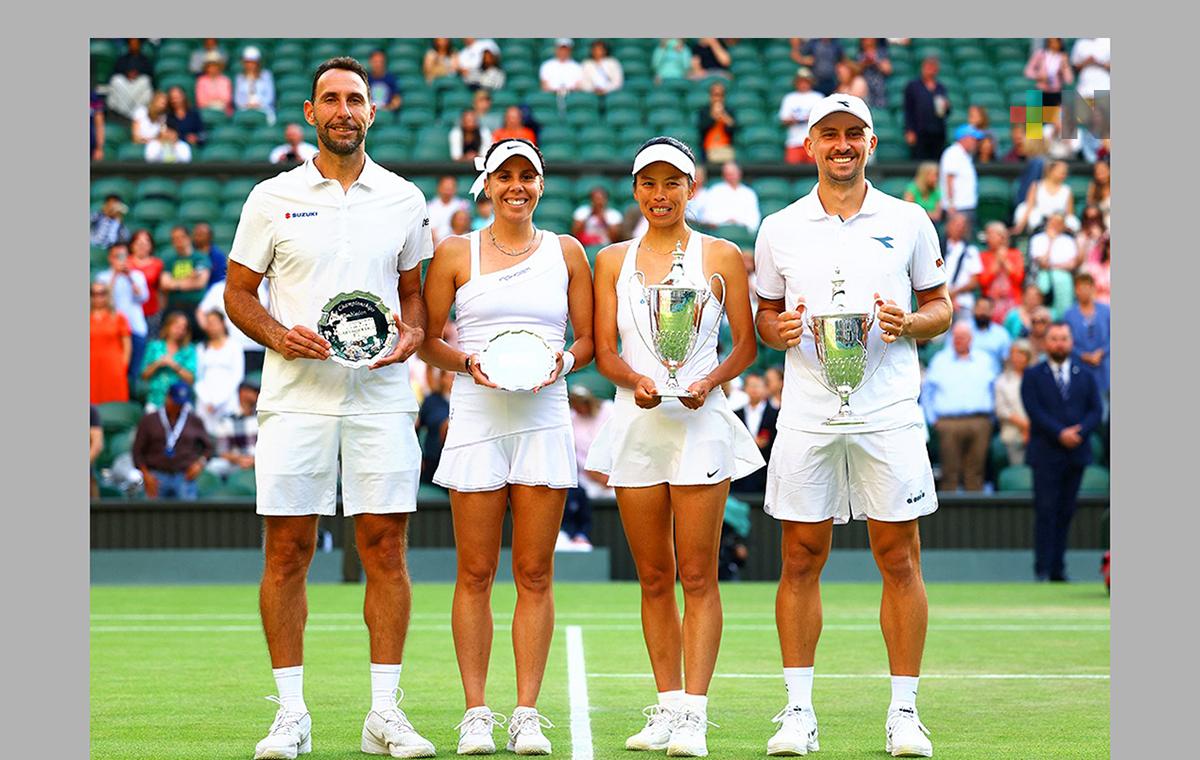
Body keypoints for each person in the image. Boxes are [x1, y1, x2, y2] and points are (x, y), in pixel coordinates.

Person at [224, 57, 436, 760]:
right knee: (288, 551)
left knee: (386, 548)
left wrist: (411, 334)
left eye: (356, 99)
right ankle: (290, 715)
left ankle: (384, 715)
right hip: (294, 399)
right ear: (311, 114)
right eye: (331, 100)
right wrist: (279, 334)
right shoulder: (270, 197)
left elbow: (413, 298)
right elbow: (238, 294)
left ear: (372, 112)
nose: (344, 110)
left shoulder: (405, 199)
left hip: (378, 397)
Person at [753, 94, 951, 758]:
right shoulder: (779, 226)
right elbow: (766, 316)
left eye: (853, 134)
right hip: (809, 411)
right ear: (808, 145)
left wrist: (910, 324)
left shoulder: (910, 218)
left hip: (889, 412)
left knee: (899, 558)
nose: (841, 144)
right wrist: (773, 330)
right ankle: (798, 712)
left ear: (870, 144)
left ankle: (904, 714)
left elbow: (940, 307)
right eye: (828, 134)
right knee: (800, 558)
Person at [588, 136, 763, 757]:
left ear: (691, 188)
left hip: (702, 423)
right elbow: (605, 351)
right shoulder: (609, 259)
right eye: (649, 184)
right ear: (636, 190)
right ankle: (665, 706)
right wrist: (632, 379)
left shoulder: (723, 255)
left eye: (673, 183)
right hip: (637, 426)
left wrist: (709, 381)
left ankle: (694, 713)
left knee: (698, 573)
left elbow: (746, 345)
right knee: (654, 576)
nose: (660, 195)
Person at [418, 137, 595, 756]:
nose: (516, 186)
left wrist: (563, 360)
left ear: (539, 185)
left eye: (528, 176)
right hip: (475, 417)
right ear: (485, 185)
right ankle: (476, 713)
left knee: (535, 571)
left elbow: (591, 341)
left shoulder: (568, 252)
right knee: (474, 571)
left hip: (544, 415)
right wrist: (469, 362)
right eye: (505, 176)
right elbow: (427, 339)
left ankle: (525, 712)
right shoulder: (452, 253)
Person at [1022, 322, 1104, 581]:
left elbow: (1096, 411)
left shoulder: (1086, 374)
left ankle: (1059, 569)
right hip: (1046, 452)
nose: (1059, 343)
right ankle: (1042, 568)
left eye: (1064, 338)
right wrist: (1060, 432)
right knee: (1045, 510)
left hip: (1076, 453)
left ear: (1071, 342)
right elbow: (1034, 410)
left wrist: (1079, 431)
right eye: (1055, 338)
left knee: (1067, 511)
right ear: (1046, 343)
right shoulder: (1033, 375)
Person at [921, 321, 999, 492]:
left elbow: (995, 389)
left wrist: (991, 419)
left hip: (980, 421)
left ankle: (976, 514)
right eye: (956, 337)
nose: (959, 341)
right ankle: (949, 517)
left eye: (963, 337)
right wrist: (933, 419)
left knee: (976, 472)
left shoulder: (985, 360)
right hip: (948, 423)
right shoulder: (940, 361)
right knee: (949, 472)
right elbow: (927, 392)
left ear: (971, 339)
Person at [132, 382, 214, 500]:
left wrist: (199, 464)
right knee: (151, 516)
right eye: (175, 402)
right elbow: (137, 452)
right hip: (156, 476)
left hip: (184, 475)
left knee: (188, 516)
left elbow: (209, 448)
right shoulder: (149, 420)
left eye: (181, 404)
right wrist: (146, 475)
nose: (178, 406)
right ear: (167, 398)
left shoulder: (194, 420)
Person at [95, 242, 150, 393]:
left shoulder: (137, 275)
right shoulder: (103, 277)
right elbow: (103, 300)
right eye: (117, 256)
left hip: (135, 329)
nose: (121, 260)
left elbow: (143, 297)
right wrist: (115, 276)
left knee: (134, 373)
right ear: (110, 258)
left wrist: (129, 277)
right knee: (114, 372)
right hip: (112, 332)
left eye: (123, 256)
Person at [563, 385, 612, 550]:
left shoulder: (609, 410)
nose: (580, 408)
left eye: (582, 403)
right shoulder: (570, 419)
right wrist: (597, 476)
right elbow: (577, 456)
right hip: (587, 477)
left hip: (615, 474)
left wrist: (611, 476)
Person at [194, 309, 245, 433]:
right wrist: (207, 399)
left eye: (214, 322)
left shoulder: (235, 346)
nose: (211, 326)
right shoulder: (201, 348)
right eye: (208, 323)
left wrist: (219, 400)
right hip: (205, 401)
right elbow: (197, 377)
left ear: (223, 323)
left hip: (227, 399)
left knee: (226, 435)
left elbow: (238, 375)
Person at [1063, 271, 1111, 403]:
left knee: (1104, 406)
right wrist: (1082, 355)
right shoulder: (1069, 314)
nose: (1083, 291)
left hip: (1103, 366)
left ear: (1093, 288)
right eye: (1079, 288)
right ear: (1075, 290)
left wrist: (1101, 352)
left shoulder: (1106, 311)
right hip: (1079, 365)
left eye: (1087, 287)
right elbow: (1066, 339)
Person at [1030, 213, 1082, 319]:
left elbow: (1072, 264)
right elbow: (1043, 263)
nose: (1055, 225)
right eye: (1053, 221)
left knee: (1064, 312)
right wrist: (1051, 241)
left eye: (1059, 223)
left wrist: (1052, 266)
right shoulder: (1038, 238)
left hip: (1064, 279)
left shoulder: (1068, 240)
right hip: (1043, 278)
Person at [140, 311, 197, 409]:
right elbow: (144, 375)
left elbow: (191, 379)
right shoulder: (154, 346)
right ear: (168, 326)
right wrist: (158, 363)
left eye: (183, 328)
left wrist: (174, 365)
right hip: (155, 399)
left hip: (180, 400)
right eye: (177, 326)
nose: (180, 331)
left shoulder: (189, 350)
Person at [732, 372, 777, 494]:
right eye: (751, 386)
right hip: (742, 475)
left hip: (767, 472)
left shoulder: (775, 414)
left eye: (757, 386)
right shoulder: (736, 415)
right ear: (745, 389)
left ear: (765, 388)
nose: (754, 390)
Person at [160, 225, 211, 328]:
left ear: (189, 238)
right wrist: (190, 278)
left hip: (196, 306)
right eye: (174, 239)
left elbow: (200, 283)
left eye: (181, 237)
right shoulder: (169, 259)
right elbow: (165, 284)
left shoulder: (200, 258)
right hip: (174, 306)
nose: (178, 241)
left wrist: (174, 283)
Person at [90, 280, 132, 405]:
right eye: (93, 293)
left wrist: (122, 366)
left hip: (113, 368)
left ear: (108, 295)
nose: (98, 297)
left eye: (102, 293)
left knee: (114, 402)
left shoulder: (119, 317)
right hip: (91, 367)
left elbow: (127, 345)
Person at [207, 382, 260, 480]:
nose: (258, 394)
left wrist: (254, 460)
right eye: (254, 391)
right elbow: (222, 451)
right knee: (212, 467)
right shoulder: (226, 420)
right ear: (242, 392)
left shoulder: (262, 418)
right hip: (235, 464)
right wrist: (240, 459)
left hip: (260, 463)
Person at [903, 56, 950, 161]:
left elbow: (946, 112)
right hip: (919, 131)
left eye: (933, 67)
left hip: (938, 131)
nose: (930, 69)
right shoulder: (913, 86)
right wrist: (909, 130)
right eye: (927, 66)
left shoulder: (940, 87)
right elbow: (908, 109)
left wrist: (947, 107)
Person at [1013, 159, 1077, 235]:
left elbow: (1069, 214)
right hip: (1039, 223)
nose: (1063, 175)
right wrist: (1020, 226)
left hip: (1059, 221)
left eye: (1065, 173)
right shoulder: (1036, 186)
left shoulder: (1067, 190)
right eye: (1061, 172)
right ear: (1051, 171)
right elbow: (1029, 207)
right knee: (1033, 216)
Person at [995, 340, 1033, 466]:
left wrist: (1030, 427)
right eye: (1014, 354)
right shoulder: (1002, 380)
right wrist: (1024, 426)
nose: (1017, 358)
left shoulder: (1037, 377)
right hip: (1013, 434)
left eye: (1021, 354)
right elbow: (1002, 410)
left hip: (1038, 433)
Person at [938, 124, 982, 232]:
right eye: (973, 139)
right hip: (958, 208)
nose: (975, 143)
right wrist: (951, 204)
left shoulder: (965, 155)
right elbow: (949, 179)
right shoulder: (953, 153)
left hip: (966, 206)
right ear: (964, 138)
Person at [978, 222, 1024, 321]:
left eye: (990, 234)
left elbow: (1018, 279)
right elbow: (983, 282)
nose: (987, 238)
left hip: (1012, 303)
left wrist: (1005, 261)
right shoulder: (983, 256)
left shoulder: (1015, 254)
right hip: (990, 305)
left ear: (1002, 237)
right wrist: (997, 263)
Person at [779, 67, 825, 165]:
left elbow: (823, 119)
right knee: (793, 170)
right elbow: (784, 119)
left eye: (806, 81)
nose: (803, 84)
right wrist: (796, 120)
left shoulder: (818, 97)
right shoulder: (789, 98)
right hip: (794, 141)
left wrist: (808, 119)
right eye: (801, 81)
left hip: (813, 141)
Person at [415, 367, 453, 485]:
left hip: (459, 461)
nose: (454, 380)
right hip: (435, 461)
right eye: (450, 376)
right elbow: (415, 428)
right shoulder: (432, 401)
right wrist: (418, 458)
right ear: (442, 378)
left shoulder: (468, 405)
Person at [941, 212, 982, 315]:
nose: (959, 228)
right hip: (940, 301)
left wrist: (954, 292)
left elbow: (974, 281)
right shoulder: (938, 249)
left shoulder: (971, 251)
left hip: (963, 302)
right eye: (956, 224)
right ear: (948, 226)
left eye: (962, 225)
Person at [701, 161, 760, 231]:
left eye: (733, 173)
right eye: (728, 174)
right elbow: (707, 217)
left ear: (739, 174)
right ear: (723, 175)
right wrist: (726, 221)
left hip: (743, 233)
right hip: (720, 232)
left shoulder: (749, 193)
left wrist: (738, 221)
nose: (731, 176)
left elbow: (754, 219)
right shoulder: (714, 191)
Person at [128, 229, 165, 335]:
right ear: (132, 245)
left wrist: (160, 311)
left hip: (151, 313)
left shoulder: (157, 264)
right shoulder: (125, 264)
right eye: (138, 242)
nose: (142, 246)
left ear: (151, 245)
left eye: (146, 242)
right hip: (130, 313)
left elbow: (161, 291)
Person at [1025, 37, 1073, 108]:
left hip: (1055, 93)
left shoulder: (1062, 57)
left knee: (1053, 117)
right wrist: (1039, 76)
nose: (1052, 45)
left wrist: (1065, 66)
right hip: (1040, 90)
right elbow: (1028, 72)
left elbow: (1069, 80)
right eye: (1050, 42)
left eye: (1055, 42)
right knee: (1034, 117)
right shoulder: (1040, 54)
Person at [969, 296, 1012, 373]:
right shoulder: (964, 330)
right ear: (974, 310)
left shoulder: (1001, 334)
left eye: (985, 309)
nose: (982, 313)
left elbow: (1007, 361)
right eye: (979, 309)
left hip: (993, 379)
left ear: (992, 311)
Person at [234, 46, 276, 124]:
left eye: (252, 62)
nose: (250, 65)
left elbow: (270, 97)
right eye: (247, 62)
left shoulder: (266, 75)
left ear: (257, 63)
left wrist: (259, 104)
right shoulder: (239, 78)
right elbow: (237, 99)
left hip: (264, 109)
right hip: (245, 109)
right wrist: (247, 105)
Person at [697, 81, 737, 163]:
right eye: (715, 95)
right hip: (707, 149)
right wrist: (713, 116)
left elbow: (734, 129)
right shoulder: (704, 110)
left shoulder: (729, 111)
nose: (718, 98)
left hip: (726, 148)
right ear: (710, 96)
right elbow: (702, 128)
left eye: (721, 95)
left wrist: (724, 116)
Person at [428, 175, 471, 245]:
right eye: (445, 186)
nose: (448, 189)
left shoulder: (463, 205)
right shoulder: (429, 206)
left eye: (451, 187)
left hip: (458, 244)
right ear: (439, 187)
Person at [857, 38, 892, 109]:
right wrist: (864, 64)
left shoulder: (881, 53)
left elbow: (888, 69)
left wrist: (876, 60)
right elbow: (856, 71)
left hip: (879, 87)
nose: (866, 41)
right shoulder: (859, 55)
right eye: (864, 40)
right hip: (865, 88)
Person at [367, 49, 403, 117]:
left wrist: (387, 109)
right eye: (375, 61)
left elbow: (397, 100)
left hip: (387, 114)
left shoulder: (391, 79)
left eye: (380, 61)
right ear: (370, 62)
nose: (378, 64)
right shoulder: (366, 80)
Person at [1086, 160, 1111, 230]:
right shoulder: (1093, 187)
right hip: (1100, 224)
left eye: (1103, 171)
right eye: (1098, 172)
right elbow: (1090, 208)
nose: (1101, 175)